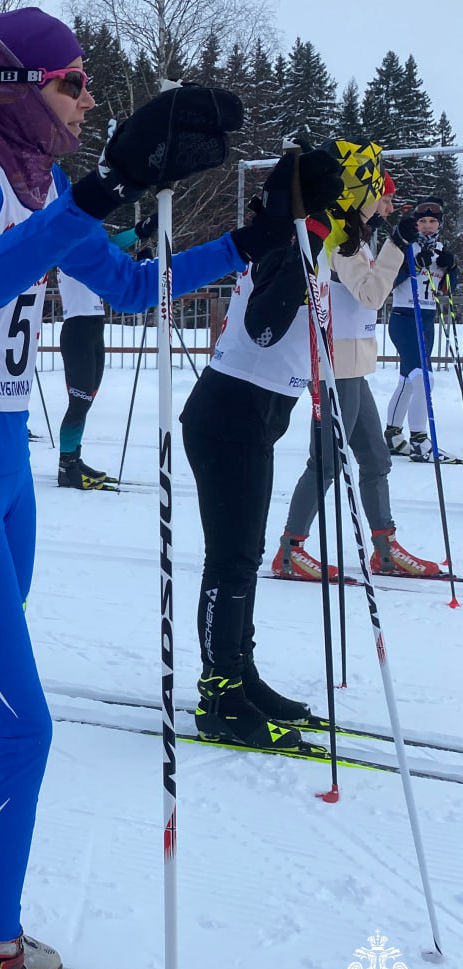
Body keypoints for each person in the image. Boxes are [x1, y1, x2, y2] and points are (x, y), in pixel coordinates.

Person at [0, 8, 328, 969]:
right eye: (73, 82)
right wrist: (98, 192)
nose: (89, 100)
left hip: (2, 466)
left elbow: (132, 286)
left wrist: (253, 237)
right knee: (21, 724)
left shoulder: (41, 188)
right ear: (14, 83)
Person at [180, 139, 345, 751]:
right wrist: (302, 272)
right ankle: (219, 693)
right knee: (230, 559)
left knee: (244, 555)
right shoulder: (288, 241)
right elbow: (264, 326)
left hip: (257, 412)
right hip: (231, 413)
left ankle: (241, 675)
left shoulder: (309, 238)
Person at [274, 151, 442, 580]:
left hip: (354, 364)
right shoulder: (341, 239)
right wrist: (396, 247)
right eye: (383, 197)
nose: (389, 206)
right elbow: (370, 294)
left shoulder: (359, 238)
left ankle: (384, 547)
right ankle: (291, 548)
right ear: (364, 196)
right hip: (335, 364)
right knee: (327, 463)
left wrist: (397, 250)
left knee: (376, 456)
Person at [54, 215, 155, 488]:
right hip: (77, 331)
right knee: (78, 402)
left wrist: (140, 232)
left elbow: (109, 247)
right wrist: (134, 242)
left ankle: (74, 457)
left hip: (94, 329)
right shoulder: (68, 250)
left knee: (86, 401)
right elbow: (108, 248)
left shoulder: (92, 251)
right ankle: (67, 467)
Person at [383, 200, 458, 461]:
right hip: (404, 318)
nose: (427, 226)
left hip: (427, 320)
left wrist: (452, 268)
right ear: (415, 224)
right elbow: (389, 281)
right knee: (424, 379)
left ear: (440, 225)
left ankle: (393, 436)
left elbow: (447, 290)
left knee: (407, 380)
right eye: (422, 222)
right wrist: (413, 265)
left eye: (432, 222)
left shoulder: (441, 250)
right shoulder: (405, 248)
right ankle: (419, 441)